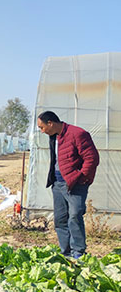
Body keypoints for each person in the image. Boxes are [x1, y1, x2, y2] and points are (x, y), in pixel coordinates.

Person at [37, 111, 100, 259]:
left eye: (42, 127)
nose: (42, 131)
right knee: (60, 219)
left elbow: (92, 158)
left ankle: (78, 252)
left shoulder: (77, 134)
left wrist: (81, 177)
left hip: (75, 184)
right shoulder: (54, 136)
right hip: (57, 184)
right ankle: (65, 253)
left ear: (50, 123)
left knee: (75, 216)